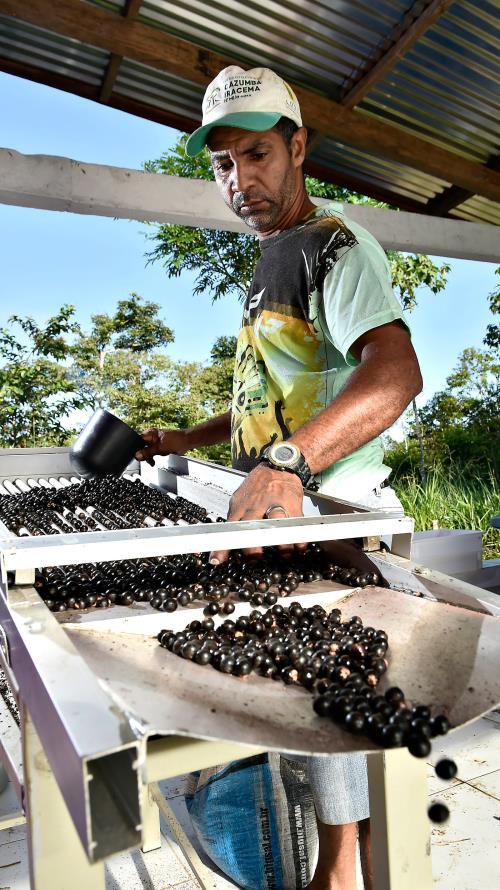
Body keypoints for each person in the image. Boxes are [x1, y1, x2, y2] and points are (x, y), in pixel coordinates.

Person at [136, 66, 422, 890]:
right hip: (277, 516)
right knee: (290, 697)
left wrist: (287, 463)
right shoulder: (271, 261)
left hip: (337, 514)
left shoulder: (335, 246)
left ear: (299, 148)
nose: (240, 180)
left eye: (257, 155)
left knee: (332, 691)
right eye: (223, 164)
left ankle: (340, 868)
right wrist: (190, 435)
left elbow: (395, 374)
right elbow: (277, 400)